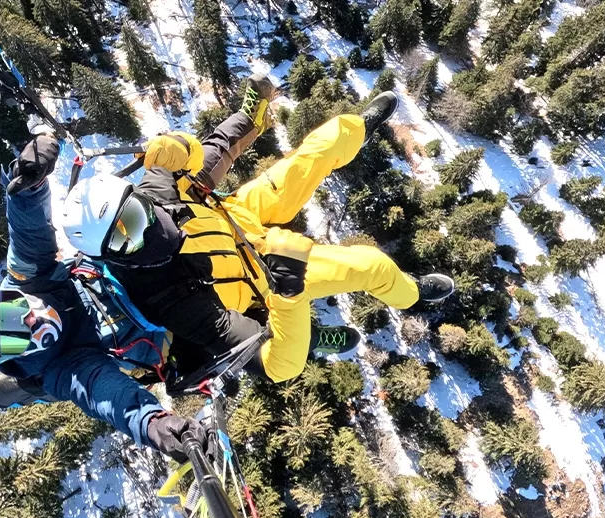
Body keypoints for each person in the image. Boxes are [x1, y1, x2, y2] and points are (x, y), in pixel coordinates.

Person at [59, 76, 455, 384]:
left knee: (312, 155)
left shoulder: (156, 188)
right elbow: (276, 366)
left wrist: (187, 142)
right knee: (372, 266)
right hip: (258, 280)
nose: (140, 232)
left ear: (136, 196)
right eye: (123, 238)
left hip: (235, 219)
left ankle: (360, 126)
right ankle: (413, 295)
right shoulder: (172, 302)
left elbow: (212, 151)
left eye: (133, 216)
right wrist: (288, 291)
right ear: (109, 255)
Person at [0, 134, 212, 461]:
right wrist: (151, 423)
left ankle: (245, 125)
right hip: (166, 322)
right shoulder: (58, 369)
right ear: (7, 357)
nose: (29, 323)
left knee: (182, 188)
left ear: (8, 294)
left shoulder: (29, 279)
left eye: (15, 312)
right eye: (15, 338)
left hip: (132, 259)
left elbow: (29, 234)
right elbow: (103, 392)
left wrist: (28, 183)